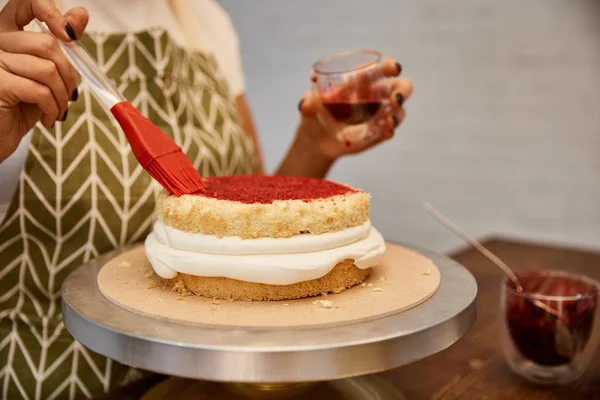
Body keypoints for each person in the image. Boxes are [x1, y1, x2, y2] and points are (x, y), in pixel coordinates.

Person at [0, 0, 414, 398]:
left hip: (214, 384)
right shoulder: (13, 24)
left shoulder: (206, 20)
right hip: (62, 378)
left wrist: (315, 145)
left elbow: (254, 224)